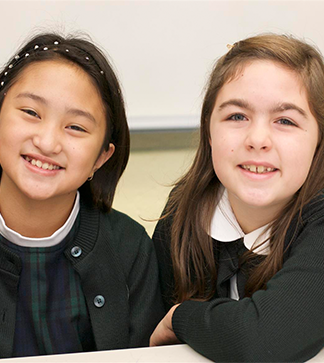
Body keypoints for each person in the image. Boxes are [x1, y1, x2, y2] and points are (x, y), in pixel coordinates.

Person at [150, 33, 324, 363]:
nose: (258, 139)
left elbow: (263, 342)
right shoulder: (183, 209)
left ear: (319, 141)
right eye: (237, 116)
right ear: (209, 131)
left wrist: (179, 317)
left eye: (285, 120)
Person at [0, 32, 164, 358]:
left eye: (76, 127)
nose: (47, 142)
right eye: (31, 112)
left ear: (101, 157)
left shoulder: (130, 248)